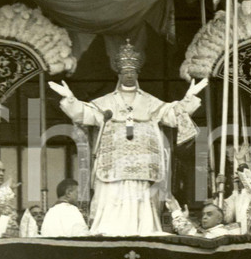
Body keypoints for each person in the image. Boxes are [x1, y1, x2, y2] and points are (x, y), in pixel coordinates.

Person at [49, 39, 207, 236]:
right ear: (119, 74)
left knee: (140, 199)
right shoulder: (106, 102)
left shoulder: (149, 102)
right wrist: (70, 98)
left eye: (132, 72)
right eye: (125, 73)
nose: (129, 76)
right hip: (113, 162)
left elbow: (171, 114)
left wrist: (189, 98)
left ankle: (144, 229)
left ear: (137, 74)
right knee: (112, 197)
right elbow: (86, 113)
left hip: (142, 163)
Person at [166, 197, 241, 239]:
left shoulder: (221, 232)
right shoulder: (212, 230)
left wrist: (175, 211)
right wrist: (187, 218)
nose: (204, 217)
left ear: (219, 219)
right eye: (203, 215)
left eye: (209, 214)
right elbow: (197, 230)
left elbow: (190, 234)